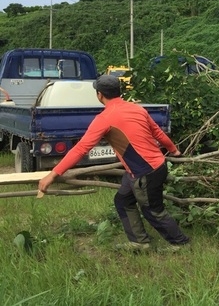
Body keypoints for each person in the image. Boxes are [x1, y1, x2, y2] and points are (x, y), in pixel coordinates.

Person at [38, 75, 190, 251]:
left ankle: (181, 244)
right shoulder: (137, 109)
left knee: (153, 211)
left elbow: (81, 149)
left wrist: (52, 174)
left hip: (145, 172)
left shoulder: (104, 118)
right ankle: (140, 242)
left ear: (100, 95)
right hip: (148, 167)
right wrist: (174, 151)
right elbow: (158, 132)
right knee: (123, 201)